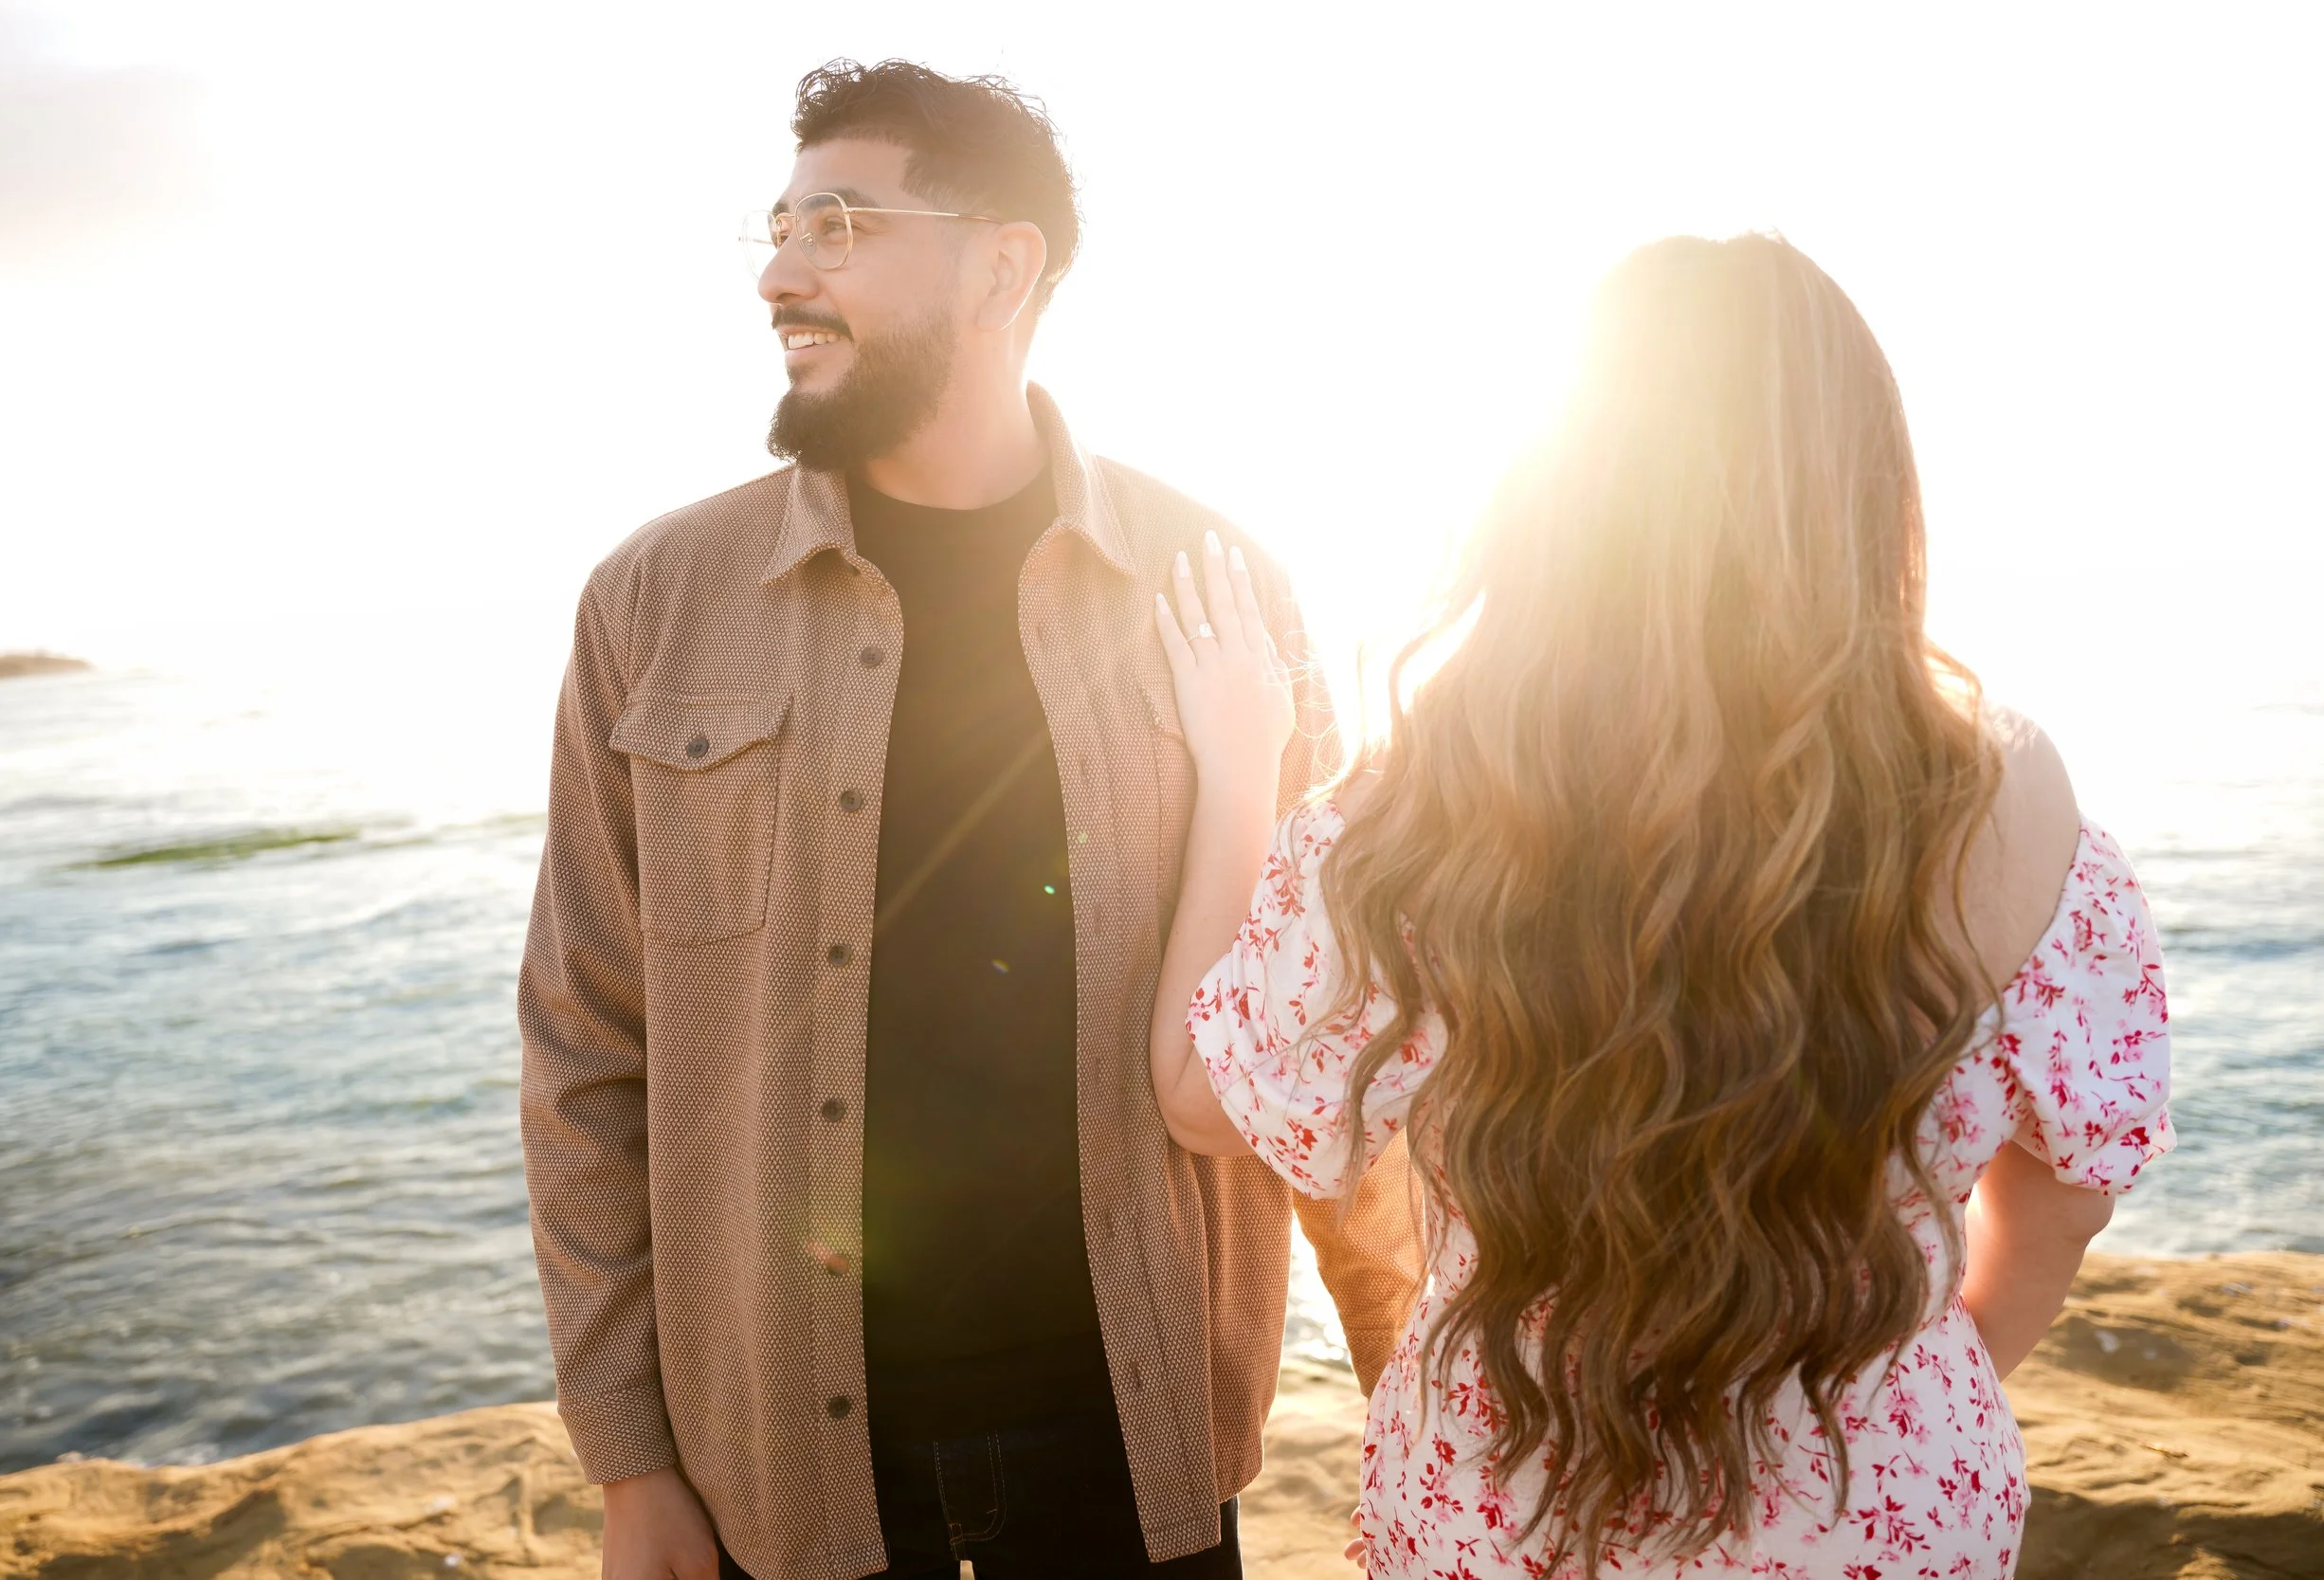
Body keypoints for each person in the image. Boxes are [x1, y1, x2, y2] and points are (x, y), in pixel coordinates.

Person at [1145, 235, 2173, 1577]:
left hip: (1506, 1515)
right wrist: (1910, 1386)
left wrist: (1237, 764)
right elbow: (2066, 1195)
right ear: (1868, 492)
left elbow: (1203, 1098)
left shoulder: (1432, 801)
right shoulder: (2012, 803)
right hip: (1884, 1514)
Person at [517, 58, 1420, 1580]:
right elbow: (585, 1051)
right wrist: (629, 1461)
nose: (783, 275)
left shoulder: (1222, 585)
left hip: (1142, 1455)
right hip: (779, 1485)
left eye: (843, 225)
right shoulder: (655, 605)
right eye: (783, 227)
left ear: (1004, 265)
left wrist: (1402, 1359)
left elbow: (1325, 1028)